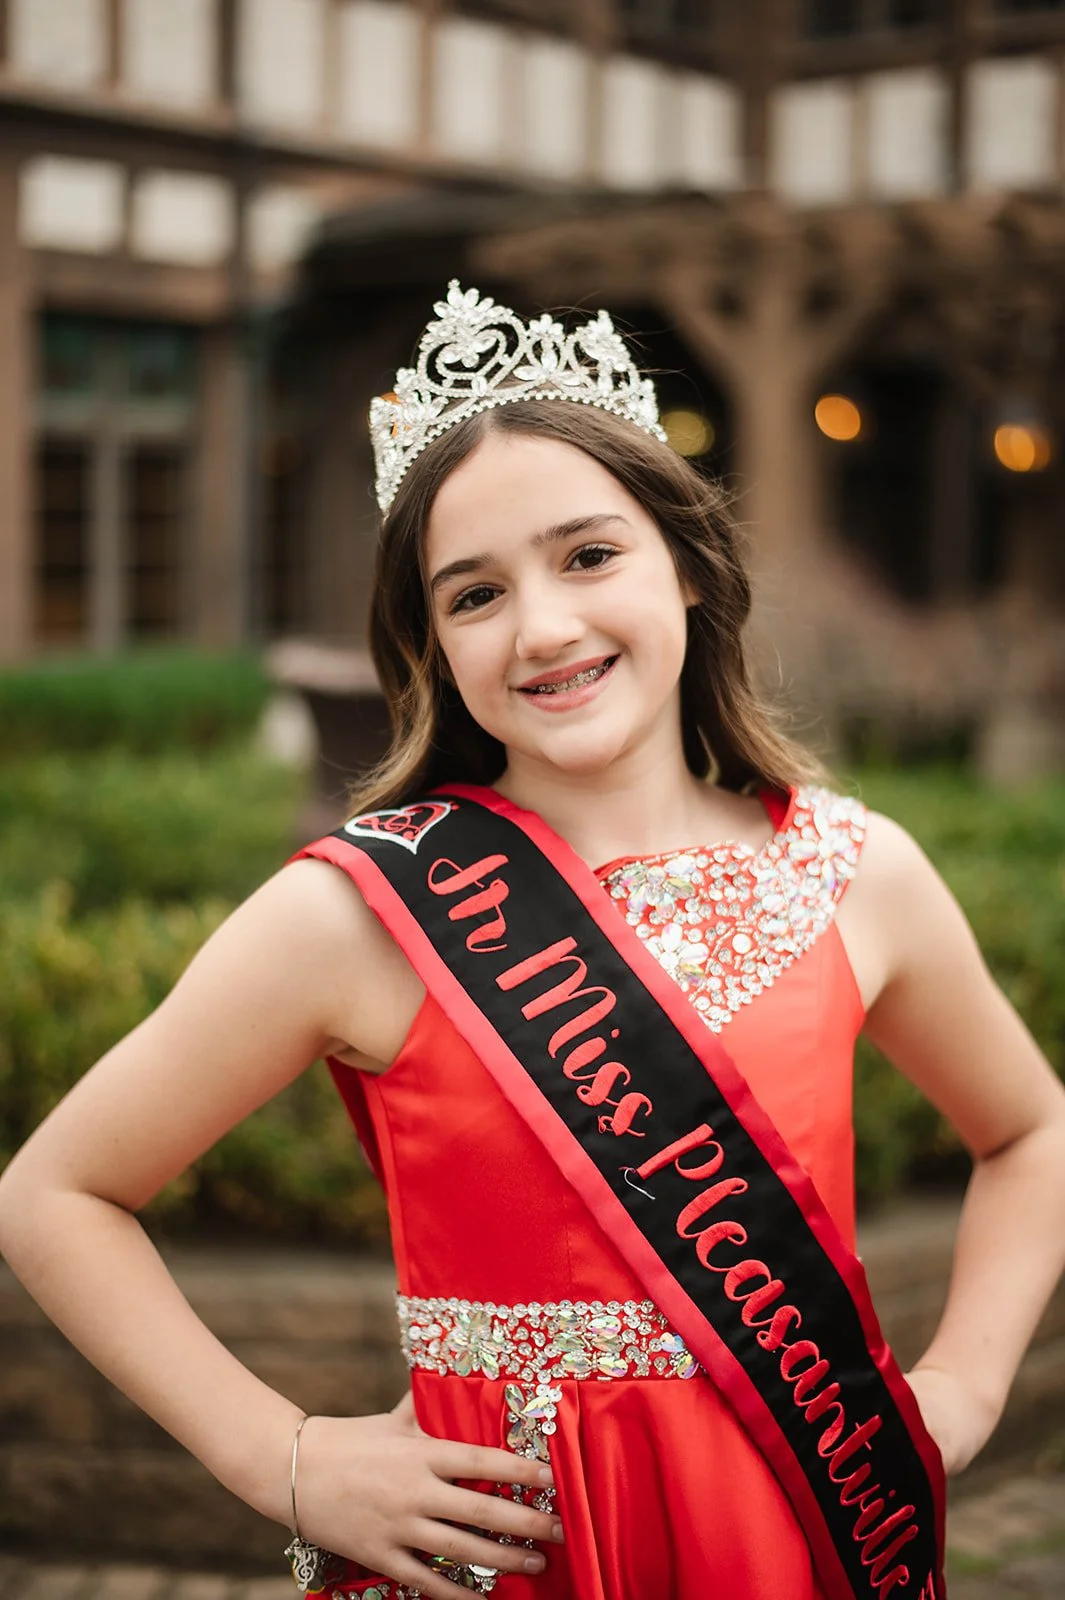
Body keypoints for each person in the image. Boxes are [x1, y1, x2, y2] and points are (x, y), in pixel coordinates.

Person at [2, 282, 1064, 1600]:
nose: (544, 628)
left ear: (683, 558)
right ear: (434, 646)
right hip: (502, 1561)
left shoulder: (856, 871)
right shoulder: (355, 912)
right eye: (475, 594)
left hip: (791, 1522)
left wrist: (960, 1384)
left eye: (588, 555)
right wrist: (282, 1455)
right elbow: (52, 1197)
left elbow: (1033, 1132)